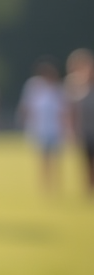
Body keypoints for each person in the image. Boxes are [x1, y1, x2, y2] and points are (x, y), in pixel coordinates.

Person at [16, 59, 67, 194]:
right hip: (39, 129)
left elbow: (62, 111)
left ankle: (56, 186)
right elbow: (26, 106)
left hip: (55, 129)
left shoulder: (57, 89)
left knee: (55, 159)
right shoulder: (34, 86)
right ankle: (45, 186)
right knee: (43, 159)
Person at [65, 48, 94, 194]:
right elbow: (71, 110)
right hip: (85, 129)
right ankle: (89, 188)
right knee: (86, 161)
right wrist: (71, 130)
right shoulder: (75, 85)